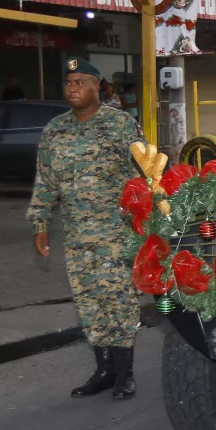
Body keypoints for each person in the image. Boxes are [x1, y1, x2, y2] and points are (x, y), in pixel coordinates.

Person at [28, 58, 144, 399]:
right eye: (68, 83)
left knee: (118, 299)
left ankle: (125, 374)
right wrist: (40, 223)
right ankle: (104, 371)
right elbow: (45, 181)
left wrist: (146, 221)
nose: (73, 88)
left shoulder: (121, 125)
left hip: (116, 233)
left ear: (97, 86)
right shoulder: (55, 130)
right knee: (88, 300)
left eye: (80, 82)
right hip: (77, 234)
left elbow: (144, 175)